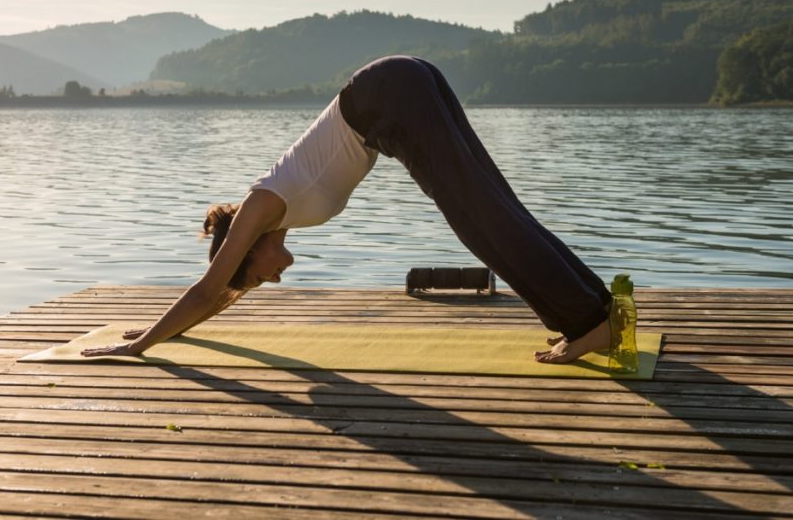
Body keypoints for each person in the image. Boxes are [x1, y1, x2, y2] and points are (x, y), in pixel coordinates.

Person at [82, 55, 613, 363]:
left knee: (484, 220)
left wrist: (138, 348)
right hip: (398, 88)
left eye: (263, 278)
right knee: (494, 210)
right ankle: (593, 310)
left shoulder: (260, 206)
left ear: (247, 251)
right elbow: (223, 295)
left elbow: (208, 288)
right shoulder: (273, 218)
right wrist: (158, 330)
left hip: (388, 98)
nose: (275, 280)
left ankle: (590, 319)